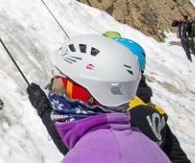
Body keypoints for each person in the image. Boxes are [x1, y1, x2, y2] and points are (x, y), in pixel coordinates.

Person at [26, 34, 170, 162]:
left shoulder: (88, 155)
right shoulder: (143, 143)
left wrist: (44, 109)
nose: (52, 85)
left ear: (82, 92)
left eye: (59, 77)